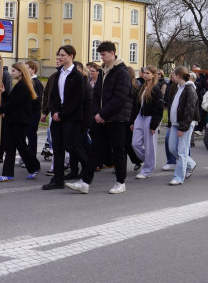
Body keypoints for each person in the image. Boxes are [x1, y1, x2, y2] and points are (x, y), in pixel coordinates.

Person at [67, 41, 134, 194]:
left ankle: (120, 182)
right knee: (95, 150)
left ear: (112, 53)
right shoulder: (103, 71)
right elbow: (96, 95)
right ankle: (85, 182)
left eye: (104, 54)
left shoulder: (122, 72)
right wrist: (97, 114)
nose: (102, 58)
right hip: (102, 118)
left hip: (117, 118)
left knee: (118, 150)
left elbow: (120, 98)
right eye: (100, 55)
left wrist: (102, 114)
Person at [42, 46, 90, 190]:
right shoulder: (58, 75)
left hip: (72, 117)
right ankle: (58, 180)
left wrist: (63, 114)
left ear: (71, 56)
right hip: (58, 116)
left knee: (71, 145)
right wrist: (54, 112)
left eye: (62, 55)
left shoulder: (77, 76)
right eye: (58, 55)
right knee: (57, 148)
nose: (59, 58)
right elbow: (53, 95)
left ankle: (89, 166)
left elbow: (78, 99)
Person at [0, 62, 42, 182]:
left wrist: (1, 109)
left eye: (13, 71)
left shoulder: (22, 86)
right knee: (10, 146)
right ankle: (8, 173)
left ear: (20, 72)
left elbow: (13, 104)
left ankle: (35, 167)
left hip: (19, 121)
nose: (11, 73)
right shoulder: (20, 85)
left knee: (21, 145)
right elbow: (12, 100)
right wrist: (4, 92)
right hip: (14, 120)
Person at [166, 67, 198, 185]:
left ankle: (178, 177)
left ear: (178, 75)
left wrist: (183, 127)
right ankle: (190, 164)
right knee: (172, 148)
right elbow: (174, 107)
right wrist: (171, 123)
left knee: (182, 151)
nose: (172, 77)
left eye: (173, 75)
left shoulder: (190, 89)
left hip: (185, 125)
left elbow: (190, 110)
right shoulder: (179, 88)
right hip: (175, 124)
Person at [131, 66, 163, 179]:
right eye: (144, 73)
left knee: (150, 145)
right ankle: (149, 160)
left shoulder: (156, 88)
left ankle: (147, 170)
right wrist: (133, 121)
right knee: (135, 143)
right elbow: (136, 106)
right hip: (140, 117)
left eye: (148, 73)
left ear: (154, 75)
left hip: (150, 118)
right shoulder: (142, 87)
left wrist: (154, 125)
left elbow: (158, 109)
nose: (145, 75)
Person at [25, 60, 45, 162]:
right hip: (28, 113)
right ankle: (26, 157)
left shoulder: (36, 83)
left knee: (32, 136)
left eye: (27, 68)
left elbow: (37, 101)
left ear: (33, 69)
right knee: (27, 135)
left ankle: (32, 158)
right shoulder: (28, 81)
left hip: (33, 114)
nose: (25, 69)